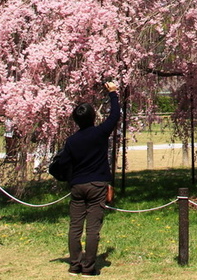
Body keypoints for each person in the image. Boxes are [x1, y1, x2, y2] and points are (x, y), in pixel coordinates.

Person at [63, 81, 119, 276]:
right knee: (93, 228)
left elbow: (65, 162)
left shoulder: (71, 141)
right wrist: (113, 93)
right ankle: (88, 267)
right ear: (94, 117)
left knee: (75, 227)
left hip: (78, 185)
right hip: (97, 184)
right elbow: (114, 116)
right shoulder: (100, 133)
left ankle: (74, 264)